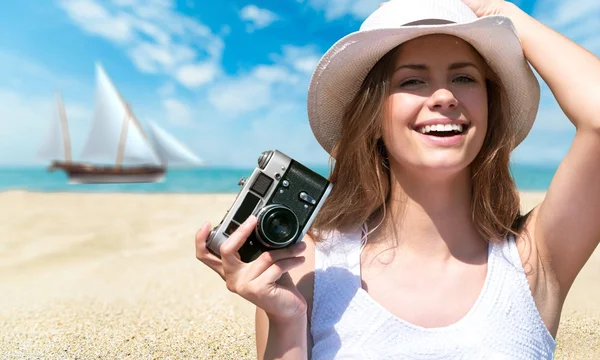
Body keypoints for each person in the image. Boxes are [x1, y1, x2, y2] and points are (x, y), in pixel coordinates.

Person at [195, 0, 600, 358]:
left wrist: (503, 13)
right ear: (373, 119)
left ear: (490, 110)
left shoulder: (534, 260)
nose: (444, 97)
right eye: (412, 80)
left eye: (464, 78)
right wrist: (286, 319)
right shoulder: (308, 270)